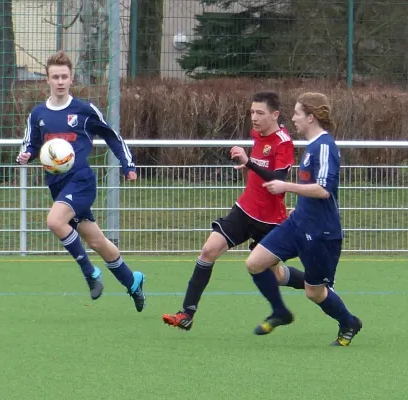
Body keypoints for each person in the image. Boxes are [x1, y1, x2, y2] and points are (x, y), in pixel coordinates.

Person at [162, 91, 305, 331]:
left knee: (277, 276)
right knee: (208, 250)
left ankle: (317, 286)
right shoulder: (256, 135)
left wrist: (248, 162)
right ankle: (186, 313)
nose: (254, 117)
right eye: (252, 112)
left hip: (271, 219)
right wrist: (245, 165)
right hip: (245, 209)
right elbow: (256, 174)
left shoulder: (283, 143)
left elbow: (278, 180)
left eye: (260, 113)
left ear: (275, 114)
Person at [16, 51, 146, 312]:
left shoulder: (84, 110)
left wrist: (127, 164)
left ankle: (90, 274)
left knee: (54, 221)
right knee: (97, 241)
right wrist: (26, 154)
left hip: (82, 181)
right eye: (55, 77)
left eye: (65, 76)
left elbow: (112, 136)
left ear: (71, 79)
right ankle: (133, 281)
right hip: (57, 185)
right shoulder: (38, 114)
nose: (60, 81)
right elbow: (30, 144)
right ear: (48, 80)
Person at [245, 92, 362, 346]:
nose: (293, 118)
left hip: (321, 232)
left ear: (311, 117)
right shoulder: (311, 147)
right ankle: (280, 312)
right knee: (255, 263)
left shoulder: (324, 146)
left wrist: (286, 187)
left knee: (314, 292)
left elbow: (323, 190)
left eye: (298, 113)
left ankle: (349, 322)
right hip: (298, 224)